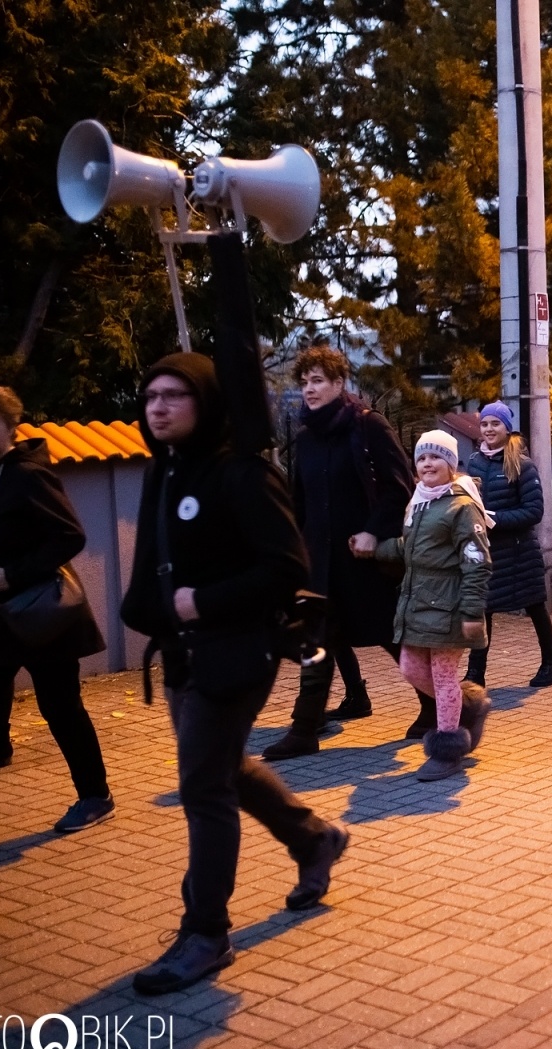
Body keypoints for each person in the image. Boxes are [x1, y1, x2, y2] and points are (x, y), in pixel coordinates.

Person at [121, 353, 347, 995]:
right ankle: (313, 839)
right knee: (223, 767)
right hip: (183, 652)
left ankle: (205, 933)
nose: (157, 407)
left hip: (239, 653)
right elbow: (156, 568)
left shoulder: (244, 473)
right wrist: (142, 607)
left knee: (202, 787)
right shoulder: (162, 472)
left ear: (207, 402)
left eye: (173, 396)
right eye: (150, 396)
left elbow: (287, 568)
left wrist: (207, 601)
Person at [0, 383, 114, 832]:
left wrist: (11, 573)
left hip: (39, 617)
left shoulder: (29, 474)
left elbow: (70, 536)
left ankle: (95, 795)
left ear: (11, 427)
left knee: (61, 707)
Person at [264, 346, 427, 761]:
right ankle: (304, 730)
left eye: (318, 381)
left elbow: (400, 485)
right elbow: (300, 502)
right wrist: (296, 553)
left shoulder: (368, 426)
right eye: (304, 382)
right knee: (317, 643)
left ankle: (441, 705)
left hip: (364, 563)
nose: (309, 390)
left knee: (392, 638)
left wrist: (374, 532)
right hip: (321, 564)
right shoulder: (305, 436)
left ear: (339, 384)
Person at [377, 430, 493, 780]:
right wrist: (377, 549)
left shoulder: (461, 505)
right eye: (422, 458)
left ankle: (447, 752)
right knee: (411, 669)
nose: (428, 463)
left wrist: (472, 612)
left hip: (450, 607)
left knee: (443, 678)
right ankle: (470, 703)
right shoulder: (420, 501)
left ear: (451, 464)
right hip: (418, 603)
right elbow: (412, 546)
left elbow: (477, 559)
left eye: (436, 457)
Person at [465, 403, 552, 687]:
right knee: (483, 609)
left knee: (535, 607)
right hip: (487, 550)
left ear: (507, 428)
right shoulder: (473, 462)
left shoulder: (522, 463)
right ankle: (475, 674)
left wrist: (495, 519)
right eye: (485, 424)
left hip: (519, 552)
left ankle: (551, 661)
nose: (489, 429)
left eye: (495, 424)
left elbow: (534, 511)